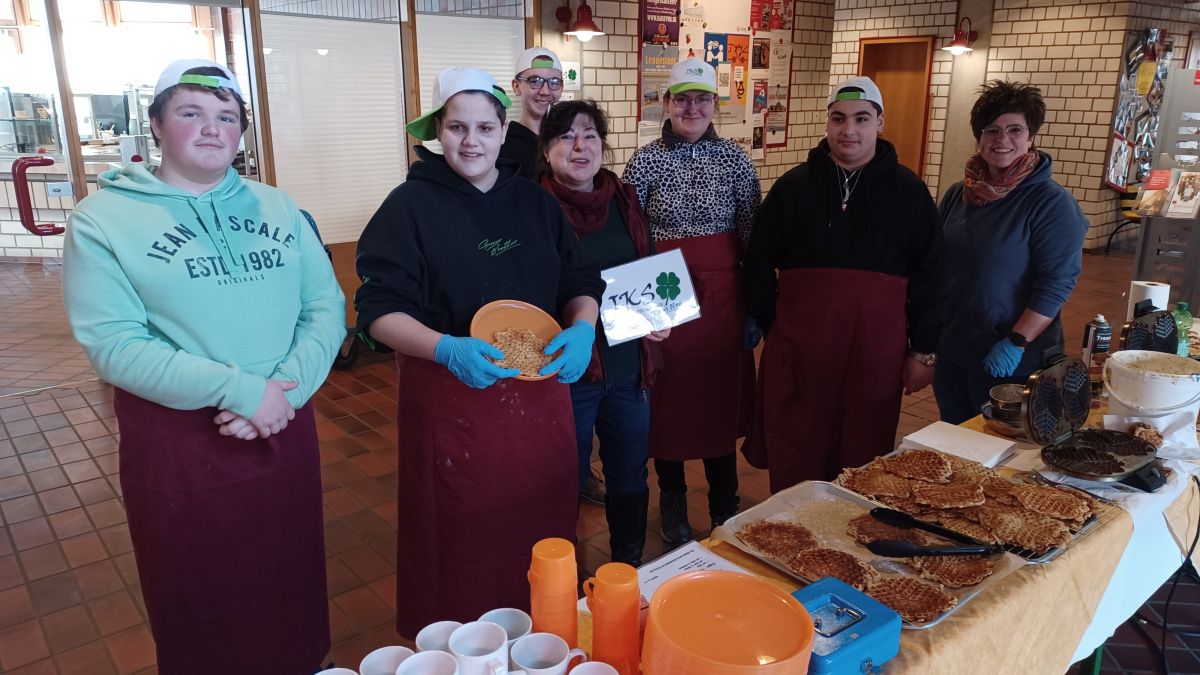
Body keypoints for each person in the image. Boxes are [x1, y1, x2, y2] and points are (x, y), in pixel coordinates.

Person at [62, 59, 345, 673]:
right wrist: (240, 390)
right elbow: (114, 343)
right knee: (201, 593)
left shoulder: (278, 205)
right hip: (184, 444)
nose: (212, 128)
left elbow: (324, 307)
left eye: (227, 117)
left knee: (289, 575)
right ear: (158, 123)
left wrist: (285, 392)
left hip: (282, 425)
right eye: (191, 112)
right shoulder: (102, 219)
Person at [354, 67, 604, 636]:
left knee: (539, 524)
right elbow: (377, 311)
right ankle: (459, 646)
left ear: (502, 131)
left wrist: (583, 325)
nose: (472, 141)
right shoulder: (409, 207)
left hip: (541, 402)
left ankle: (541, 637)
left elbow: (579, 277)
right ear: (437, 132)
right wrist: (445, 350)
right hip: (452, 403)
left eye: (485, 127)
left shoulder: (535, 204)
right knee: (460, 537)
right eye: (457, 127)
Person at [743, 76, 943, 492]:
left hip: (874, 351)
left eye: (861, 119)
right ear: (827, 123)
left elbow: (931, 273)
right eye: (838, 118)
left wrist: (923, 350)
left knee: (863, 447)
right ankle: (789, 527)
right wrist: (770, 324)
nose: (848, 130)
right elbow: (758, 259)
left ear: (880, 122)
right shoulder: (793, 187)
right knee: (796, 441)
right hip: (800, 347)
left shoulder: (909, 191)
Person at [622, 59, 760, 547]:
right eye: (682, 99)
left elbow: (751, 231)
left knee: (719, 398)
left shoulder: (736, 159)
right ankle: (674, 499)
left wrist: (755, 306)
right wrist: (635, 308)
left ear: (715, 106)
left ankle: (726, 501)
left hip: (724, 292)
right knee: (668, 400)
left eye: (702, 99)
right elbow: (632, 233)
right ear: (666, 104)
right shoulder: (646, 158)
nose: (692, 108)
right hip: (665, 288)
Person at [536, 99, 669, 566]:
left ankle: (626, 565)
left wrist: (658, 316)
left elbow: (648, 268)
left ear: (603, 145)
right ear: (546, 149)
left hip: (628, 364)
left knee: (630, 472)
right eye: (566, 136)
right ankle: (559, 574)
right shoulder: (533, 208)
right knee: (563, 478)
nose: (579, 145)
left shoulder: (625, 200)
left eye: (590, 134)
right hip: (567, 370)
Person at [934, 80, 1087, 423]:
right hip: (955, 349)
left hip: (1014, 358)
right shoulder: (959, 194)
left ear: (1031, 137)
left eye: (1015, 129)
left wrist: (1017, 341)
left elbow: (1057, 282)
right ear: (979, 137)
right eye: (992, 130)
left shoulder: (1050, 203)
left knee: (1000, 452)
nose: (1002, 140)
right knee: (953, 439)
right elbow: (937, 264)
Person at [499, 47, 565, 179]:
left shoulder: (566, 139)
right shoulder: (501, 143)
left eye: (554, 82)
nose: (545, 91)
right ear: (516, 86)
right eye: (535, 81)